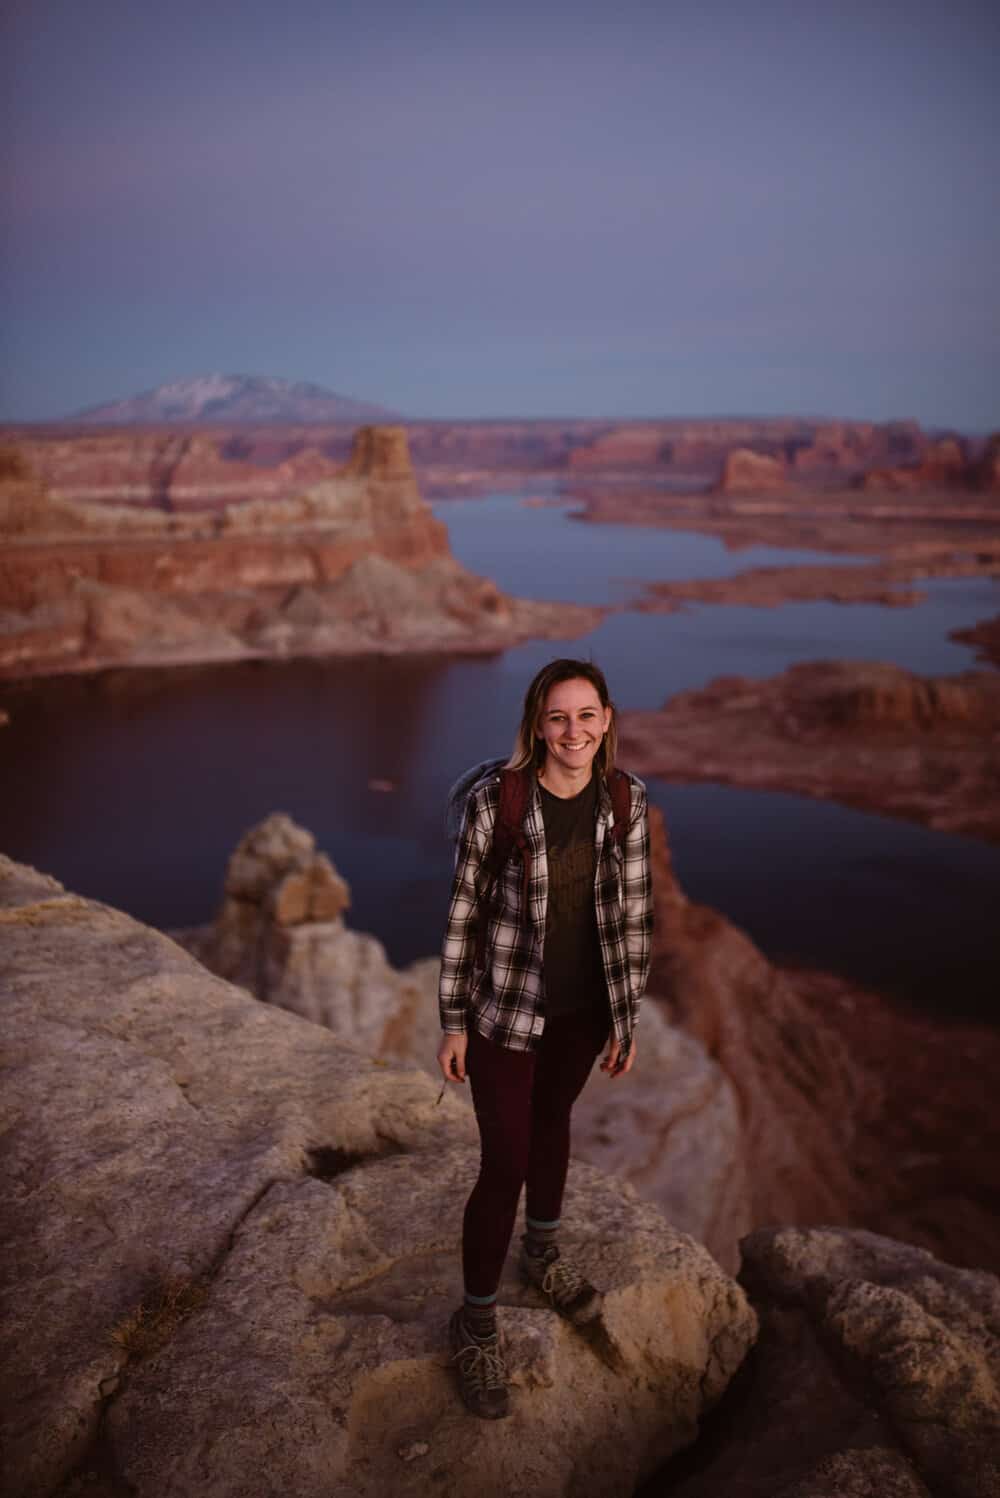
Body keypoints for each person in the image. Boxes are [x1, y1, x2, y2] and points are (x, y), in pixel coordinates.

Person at [437, 657, 653, 1419]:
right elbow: (463, 911)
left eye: (587, 715)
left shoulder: (625, 800)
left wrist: (624, 1018)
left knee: (554, 1124)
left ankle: (545, 1255)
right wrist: (454, 1020)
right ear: (536, 724)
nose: (574, 732)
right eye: (558, 717)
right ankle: (475, 1320)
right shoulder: (500, 804)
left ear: (606, 719)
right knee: (505, 1162)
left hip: (582, 1010)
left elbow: (631, 918)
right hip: (505, 1010)